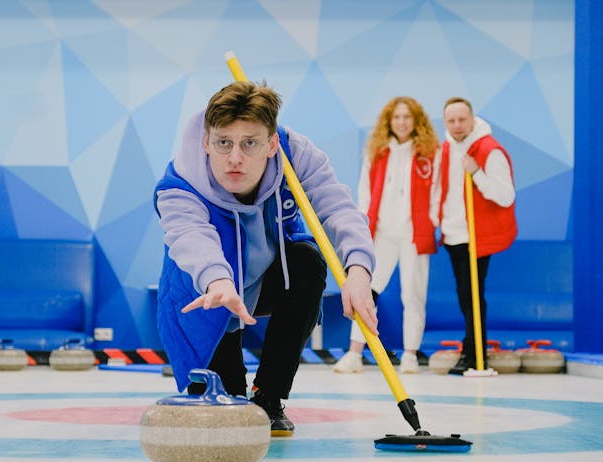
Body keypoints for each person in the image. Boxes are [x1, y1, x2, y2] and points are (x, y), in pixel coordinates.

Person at [153, 81, 378, 437]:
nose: (235, 158)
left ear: (272, 144)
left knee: (308, 260)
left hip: (271, 277)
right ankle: (229, 386)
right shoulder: (180, 184)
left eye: (250, 143)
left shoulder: (295, 154)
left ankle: (269, 396)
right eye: (223, 142)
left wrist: (360, 271)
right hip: (208, 291)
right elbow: (190, 238)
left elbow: (337, 207)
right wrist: (219, 281)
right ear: (206, 143)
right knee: (223, 410)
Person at [333, 97, 439, 375]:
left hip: (414, 234)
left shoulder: (429, 153)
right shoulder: (377, 153)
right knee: (366, 291)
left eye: (407, 117)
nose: (402, 122)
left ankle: (410, 355)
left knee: (413, 295)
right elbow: (365, 193)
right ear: (389, 122)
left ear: (416, 121)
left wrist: (432, 221)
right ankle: (355, 353)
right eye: (397, 117)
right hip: (382, 234)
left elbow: (438, 193)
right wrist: (364, 229)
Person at [437, 97, 517, 374]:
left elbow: (506, 196)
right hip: (453, 234)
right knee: (465, 296)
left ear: (472, 120)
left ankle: (474, 354)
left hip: (475, 236)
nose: (457, 125)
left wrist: (477, 173)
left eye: (462, 119)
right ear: (445, 122)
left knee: (473, 296)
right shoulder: (446, 148)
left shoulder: (488, 150)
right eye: (451, 120)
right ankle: (471, 349)